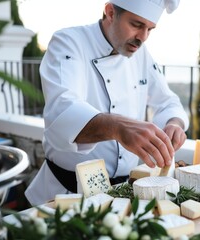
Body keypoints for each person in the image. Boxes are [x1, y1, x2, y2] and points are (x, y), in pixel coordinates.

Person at [25, 0, 189, 206]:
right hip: (65, 196)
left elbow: (168, 101)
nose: (143, 38)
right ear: (110, 12)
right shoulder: (69, 41)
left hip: (124, 196)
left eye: (150, 29)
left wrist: (174, 124)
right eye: (136, 25)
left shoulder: (141, 55)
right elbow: (62, 112)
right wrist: (118, 127)